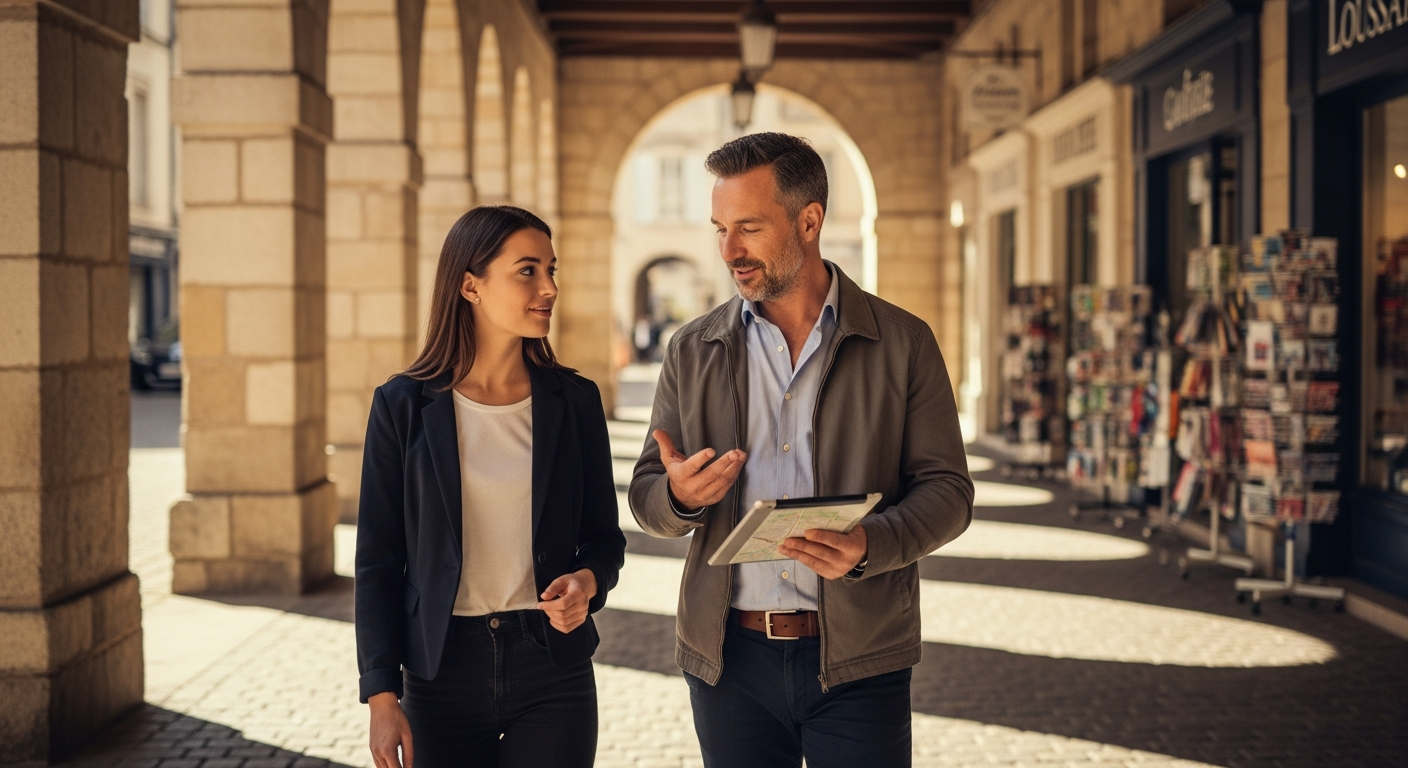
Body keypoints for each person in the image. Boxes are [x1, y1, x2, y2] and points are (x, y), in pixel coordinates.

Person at [628, 133, 974, 768]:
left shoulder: (903, 342)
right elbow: (648, 495)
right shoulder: (691, 349)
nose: (729, 250)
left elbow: (949, 492)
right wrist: (678, 496)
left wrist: (872, 543)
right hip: (729, 663)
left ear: (809, 221)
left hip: (859, 660)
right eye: (720, 229)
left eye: (750, 228)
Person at [355, 205, 626, 768]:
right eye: (527, 270)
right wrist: (382, 696)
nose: (549, 287)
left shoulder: (575, 403)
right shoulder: (401, 406)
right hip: (439, 671)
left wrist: (588, 582)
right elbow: (378, 562)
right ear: (469, 285)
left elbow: (604, 540)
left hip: (553, 670)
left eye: (552, 270)